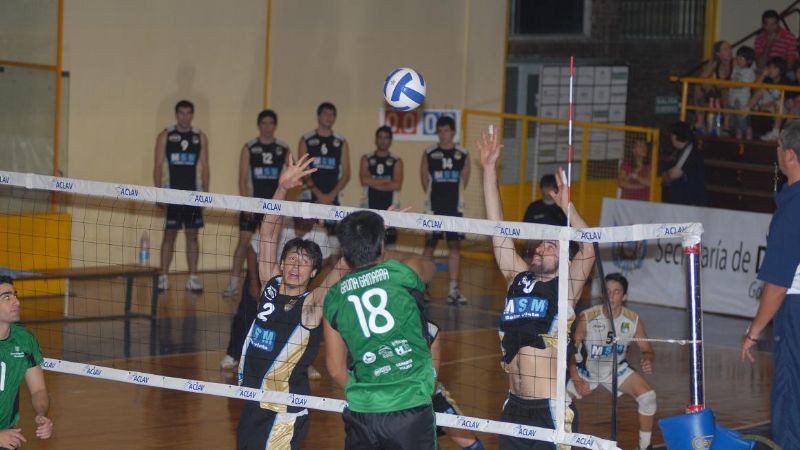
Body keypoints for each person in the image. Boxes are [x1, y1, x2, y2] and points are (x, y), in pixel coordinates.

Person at [478, 128, 595, 449]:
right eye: (541, 245)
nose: (544, 248)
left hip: (550, 411)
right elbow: (497, 231)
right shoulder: (519, 277)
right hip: (514, 406)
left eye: (552, 245)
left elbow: (589, 249)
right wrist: (489, 170)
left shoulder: (565, 288)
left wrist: (567, 208)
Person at [236, 154, 348, 450]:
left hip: (283, 412)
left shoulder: (311, 305)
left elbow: (342, 268)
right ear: (282, 264)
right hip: (253, 402)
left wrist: (371, 233)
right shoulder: (269, 286)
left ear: (313, 272)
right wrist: (282, 187)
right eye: (291, 260)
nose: (296, 266)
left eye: (305, 263)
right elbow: (269, 234)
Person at [324, 211, 437, 450]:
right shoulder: (403, 273)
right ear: (382, 243)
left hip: (362, 412)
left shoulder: (333, 297)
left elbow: (335, 369)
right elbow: (428, 266)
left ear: (344, 251)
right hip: (410, 405)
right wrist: (382, 244)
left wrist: (366, 395)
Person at [740, 120, 800, 449]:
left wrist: (753, 333)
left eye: (778, 146)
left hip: (795, 312)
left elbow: (777, 286)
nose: (776, 152)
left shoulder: (792, 210)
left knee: (790, 396)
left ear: (789, 154)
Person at [567, 273, 656, 450]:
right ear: (602, 294)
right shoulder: (587, 317)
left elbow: (647, 349)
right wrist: (576, 377)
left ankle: (645, 447)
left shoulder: (633, 320)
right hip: (587, 371)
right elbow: (571, 352)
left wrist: (647, 359)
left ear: (624, 296)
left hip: (616, 369)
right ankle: (562, 443)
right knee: (559, 399)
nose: (611, 296)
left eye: (616, 292)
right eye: (608, 291)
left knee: (648, 397)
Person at [223, 110, 290, 298]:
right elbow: (242, 179)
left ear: (274, 126)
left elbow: (290, 174)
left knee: (271, 244)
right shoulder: (250, 147)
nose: (267, 126)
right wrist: (247, 204)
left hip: (273, 206)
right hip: (253, 205)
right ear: (259, 125)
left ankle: (270, 284)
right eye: (264, 123)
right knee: (243, 242)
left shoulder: (283, 148)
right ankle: (233, 283)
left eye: (271, 123)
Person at [153, 100, 210, 292]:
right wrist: (159, 192)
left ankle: (193, 278)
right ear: (176, 114)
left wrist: (206, 194)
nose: (185, 117)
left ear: (192, 115)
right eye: (181, 113)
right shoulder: (166, 135)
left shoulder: (199, 136)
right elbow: (158, 165)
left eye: (188, 113)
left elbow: (205, 166)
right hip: (172, 195)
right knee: (169, 235)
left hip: (193, 196)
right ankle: (162, 277)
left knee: (192, 236)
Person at [421, 115, 471, 305]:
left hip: (454, 208)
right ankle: (423, 286)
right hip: (434, 207)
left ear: (453, 132)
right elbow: (424, 180)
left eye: (446, 130)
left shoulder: (463, 153)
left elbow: (464, 181)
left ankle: (453, 289)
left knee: (454, 246)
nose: (443, 134)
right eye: (440, 131)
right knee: (429, 246)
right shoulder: (429, 152)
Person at [0, 276, 53, 449]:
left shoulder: (24, 340)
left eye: (15, 295)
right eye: (7, 297)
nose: (17, 302)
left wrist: (41, 414)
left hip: (8, 436)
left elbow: (39, 390)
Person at [428, 320, 485, 450]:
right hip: (404, 402)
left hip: (432, 397)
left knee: (472, 445)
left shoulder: (429, 329)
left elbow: (432, 378)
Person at [298, 102, 351, 237]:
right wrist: (319, 195)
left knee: (333, 244)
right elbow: (302, 170)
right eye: (325, 113)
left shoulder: (341, 142)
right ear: (318, 116)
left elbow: (346, 174)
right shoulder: (306, 139)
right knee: (305, 238)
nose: (329, 117)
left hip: (333, 197)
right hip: (310, 196)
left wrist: (330, 196)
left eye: (332, 114)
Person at [360, 125, 404, 246]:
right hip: (369, 207)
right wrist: (386, 182)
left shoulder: (397, 160)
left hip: (390, 209)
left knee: (389, 245)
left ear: (390, 140)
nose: (383, 140)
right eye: (380, 137)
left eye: (386, 137)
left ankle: (387, 266)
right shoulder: (366, 158)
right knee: (368, 243)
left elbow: (396, 184)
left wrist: (373, 181)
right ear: (375, 139)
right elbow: (364, 180)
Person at [661, 121, 707, 206]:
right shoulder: (682, 151)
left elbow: (672, 174)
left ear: (675, 136)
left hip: (690, 202)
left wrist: (662, 176)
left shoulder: (689, 151)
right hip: (684, 201)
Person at [746, 57, 790, 141]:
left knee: (778, 103)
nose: (770, 70)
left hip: (782, 107)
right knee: (760, 91)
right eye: (769, 67)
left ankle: (775, 133)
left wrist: (766, 105)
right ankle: (746, 109)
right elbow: (754, 88)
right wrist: (763, 75)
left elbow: (782, 99)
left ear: (780, 70)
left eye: (773, 68)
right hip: (769, 104)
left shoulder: (785, 81)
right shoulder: (767, 79)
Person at [694, 40, 732, 133]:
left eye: (730, 49)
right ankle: (700, 121)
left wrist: (720, 84)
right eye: (725, 49)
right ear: (718, 54)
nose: (729, 51)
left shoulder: (735, 63)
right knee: (698, 88)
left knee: (725, 91)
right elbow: (701, 78)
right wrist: (708, 84)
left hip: (733, 91)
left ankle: (726, 125)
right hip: (717, 90)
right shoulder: (716, 64)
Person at [729, 46, 756, 140]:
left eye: (741, 58)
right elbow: (732, 81)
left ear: (748, 61)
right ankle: (738, 138)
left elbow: (743, 84)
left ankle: (749, 139)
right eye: (737, 58)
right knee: (736, 124)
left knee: (744, 123)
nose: (738, 60)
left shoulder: (749, 72)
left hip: (743, 102)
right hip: (733, 100)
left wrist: (732, 84)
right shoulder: (735, 70)